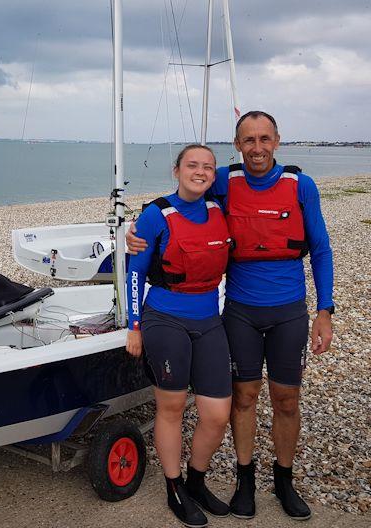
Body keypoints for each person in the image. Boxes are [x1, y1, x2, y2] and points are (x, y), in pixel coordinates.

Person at [127, 111, 334, 521]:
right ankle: (244, 481)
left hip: (290, 309)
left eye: (264, 139)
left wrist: (324, 310)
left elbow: (322, 249)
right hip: (238, 311)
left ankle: (283, 481)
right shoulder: (223, 180)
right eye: (248, 140)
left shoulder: (301, 186)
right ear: (237, 146)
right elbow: (180, 198)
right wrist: (138, 233)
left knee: (287, 399)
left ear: (277, 141)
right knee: (243, 397)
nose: (257, 148)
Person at [126, 144, 232, 528]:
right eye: (192, 165)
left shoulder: (221, 208)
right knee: (171, 408)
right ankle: (174, 488)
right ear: (176, 170)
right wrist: (133, 326)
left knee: (217, 414)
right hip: (165, 318)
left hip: (209, 320)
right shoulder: (156, 214)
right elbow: (134, 272)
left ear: (214, 174)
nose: (200, 171)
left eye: (208, 166)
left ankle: (196, 482)